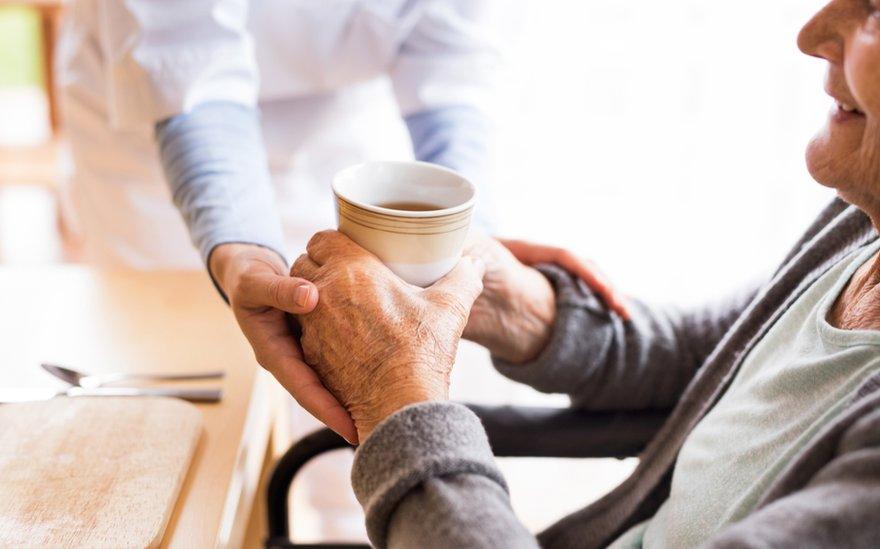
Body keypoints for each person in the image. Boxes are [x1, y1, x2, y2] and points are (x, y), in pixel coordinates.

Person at [291, 0, 880, 546]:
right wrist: (519, 305)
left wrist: (397, 397)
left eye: (874, 10)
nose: (812, 34)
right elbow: (710, 355)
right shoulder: (862, 218)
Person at [54, 0, 626, 444]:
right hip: (156, 115)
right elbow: (185, 54)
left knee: (359, 403)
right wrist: (237, 248)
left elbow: (452, 49)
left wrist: (466, 231)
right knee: (184, 389)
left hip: (347, 112)